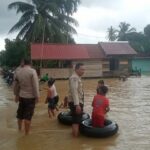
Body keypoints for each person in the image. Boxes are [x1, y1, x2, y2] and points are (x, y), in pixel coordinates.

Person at [13, 57, 40, 135]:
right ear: (30, 63)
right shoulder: (32, 71)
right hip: (30, 97)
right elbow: (35, 86)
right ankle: (26, 134)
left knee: (20, 114)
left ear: (24, 63)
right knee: (28, 117)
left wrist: (16, 95)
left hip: (21, 96)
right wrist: (37, 96)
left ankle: (19, 129)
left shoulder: (18, 72)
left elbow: (16, 85)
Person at [68, 63, 85, 137]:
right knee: (76, 121)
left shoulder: (77, 77)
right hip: (76, 103)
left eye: (84, 69)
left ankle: (74, 137)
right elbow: (74, 91)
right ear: (76, 69)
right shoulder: (74, 78)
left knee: (76, 120)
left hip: (77, 102)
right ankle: (75, 140)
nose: (83, 71)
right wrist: (77, 105)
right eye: (82, 69)